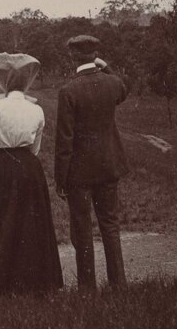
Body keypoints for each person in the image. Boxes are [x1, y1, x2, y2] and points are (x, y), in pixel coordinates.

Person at [0, 52, 63, 297]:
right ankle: (33, 282)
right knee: (30, 222)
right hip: (30, 168)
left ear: (6, 83)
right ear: (25, 82)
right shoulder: (36, 110)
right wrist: (25, 160)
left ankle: (0, 282)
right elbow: (35, 148)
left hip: (3, 166)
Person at [54, 34, 130, 290]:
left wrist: (60, 179)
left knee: (82, 229)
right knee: (110, 224)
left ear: (73, 57)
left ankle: (88, 289)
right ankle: (118, 284)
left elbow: (64, 141)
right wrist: (104, 65)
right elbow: (123, 88)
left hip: (80, 173)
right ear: (94, 55)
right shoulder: (112, 84)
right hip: (109, 166)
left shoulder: (68, 91)